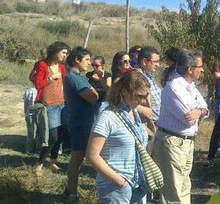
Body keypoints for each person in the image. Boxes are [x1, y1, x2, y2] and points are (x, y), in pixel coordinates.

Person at [153, 49, 209, 204]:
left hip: (185, 142)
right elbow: (188, 119)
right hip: (173, 142)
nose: (202, 70)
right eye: (200, 66)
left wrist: (199, 110)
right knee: (173, 189)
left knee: (184, 185)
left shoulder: (190, 87)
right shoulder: (174, 88)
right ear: (190, 69)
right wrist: (200, 111)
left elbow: (205, 108)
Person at [86, 70, 150, 204]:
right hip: (115, 187)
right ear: (125, 92)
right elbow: (92, 156)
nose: (143, 101)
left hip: (137, 183)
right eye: (139, 96)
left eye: (146, 96)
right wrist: (119, 181)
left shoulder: (134, 113)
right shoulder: (108, 117)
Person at [63, 46, 99, 203]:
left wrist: (94, 91)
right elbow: (93, 97)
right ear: (77, 60)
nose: (89, 63)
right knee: (78, 157)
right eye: (87, 60)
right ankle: (72, 193)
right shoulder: (75, 78)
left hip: (83, 121)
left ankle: (69, 188)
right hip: (80, 123)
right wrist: (95, 91)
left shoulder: (79, 76)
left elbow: (93, 93)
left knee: (78, 157)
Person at [33, 41, 70, 177]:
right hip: (49, 105)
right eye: (63, 53)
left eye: (67, 53)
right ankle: (39, 164)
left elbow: (65, 83)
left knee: (60, 135)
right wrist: (51, 78)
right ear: (56, 52)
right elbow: (38, 84)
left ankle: (53, 161)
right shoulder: (43, 65)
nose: (65, 55)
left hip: (62, 104)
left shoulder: (62, 66)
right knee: (52, 136)